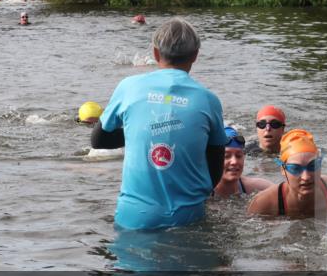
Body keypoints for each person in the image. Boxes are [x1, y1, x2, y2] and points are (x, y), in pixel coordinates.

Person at [91, 18, 226, 230]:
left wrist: (142, 131)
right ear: (195, 55)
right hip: (187, 217)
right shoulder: (208, 100)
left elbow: (98, 140)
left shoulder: (128, 87)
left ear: (155, 53)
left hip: (133, 218)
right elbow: (216, 166)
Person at [248, 129, 327, 218]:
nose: (306, 177)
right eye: (295, 168)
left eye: (312, 166)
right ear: (283, 170)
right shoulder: (265, 204)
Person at [212, 126, 274, 199]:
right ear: (213, 159)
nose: (234, 162)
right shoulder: (202, 193)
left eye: (238, 156)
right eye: (227, 156)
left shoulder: (256, 187)